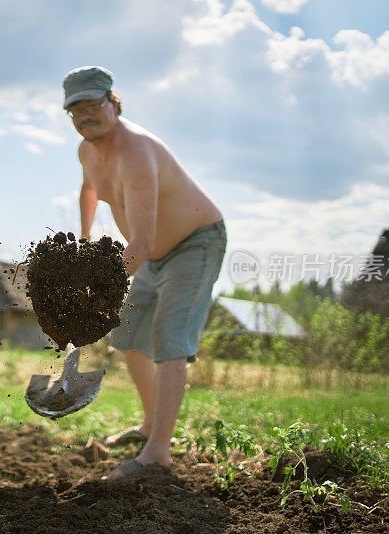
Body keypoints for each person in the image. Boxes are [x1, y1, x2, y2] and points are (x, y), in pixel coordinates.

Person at [63, 66, 226, 481]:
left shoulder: (136, 152)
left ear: (113, 103)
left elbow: (141, 242)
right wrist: (83, 244)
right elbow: (89, 190)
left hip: (194, 243)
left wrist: (96, 295)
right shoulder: (87, 151)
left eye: (94, 105)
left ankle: (157, 454)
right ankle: (150, 425)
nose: (85, 116)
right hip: (153, 252)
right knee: (130, 338)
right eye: (76, 110)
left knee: (170, 340)